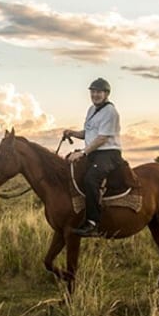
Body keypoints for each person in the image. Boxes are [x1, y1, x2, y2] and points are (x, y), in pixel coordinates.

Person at [62, 77, 130, 237]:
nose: (95, 95)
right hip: (94, 151)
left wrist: (83, 152)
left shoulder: (110, 112)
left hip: (108, 153)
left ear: (106, 94)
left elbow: (102, 138)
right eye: (93, 92)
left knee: (90, 179)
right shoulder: (91, 110)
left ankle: (93, 222)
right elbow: (89, 133)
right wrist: (72, 133)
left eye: (99, 92)